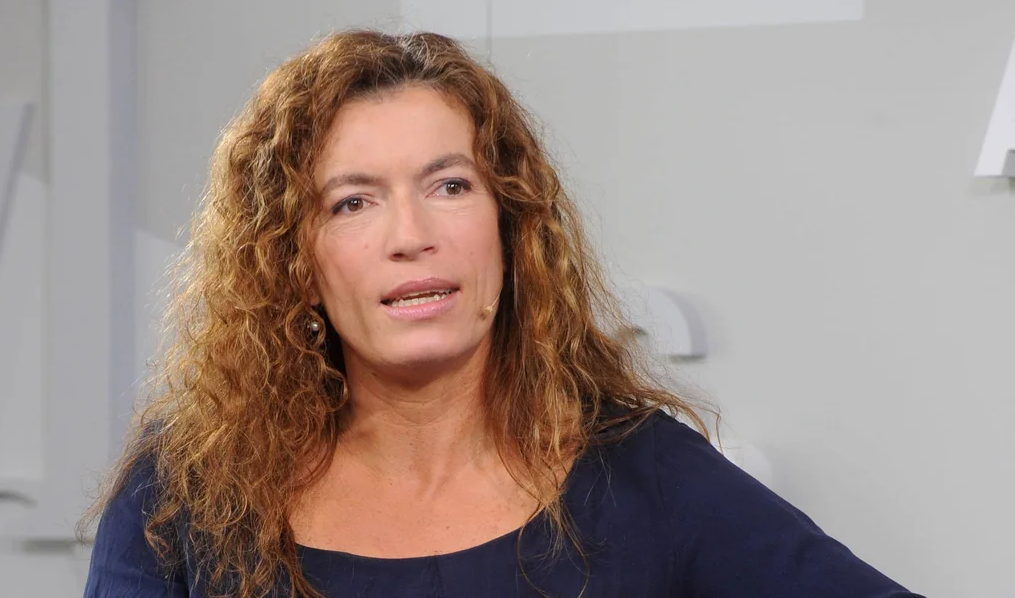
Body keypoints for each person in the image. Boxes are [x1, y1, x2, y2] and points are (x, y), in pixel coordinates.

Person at [81, 30, 921, 598]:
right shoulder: (183, 495)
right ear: (293, 265)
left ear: (511, 228)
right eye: (352, 203)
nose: (412, 236)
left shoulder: (644, 475)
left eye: (450, 186)